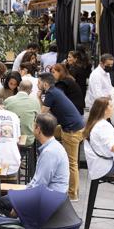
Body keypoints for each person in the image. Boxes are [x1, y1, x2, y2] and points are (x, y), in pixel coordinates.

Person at [0, 113, 69, 213]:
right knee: (9, 196)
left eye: (33, 125)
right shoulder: (52, 147)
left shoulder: (50, 152)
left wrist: (19, 204)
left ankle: (18, 225)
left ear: (38, 129)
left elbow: (40, 185)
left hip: (50, 199)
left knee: (2, 202)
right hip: (51, 194)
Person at [38, 73, 85, 201]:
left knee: (72, 163)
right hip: (74, 126)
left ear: (45, 84)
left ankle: (72, 194)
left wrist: (38, 99)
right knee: (50, 133)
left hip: (72, 130)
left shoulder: (50, 94)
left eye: (39, 82)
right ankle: (51, 159)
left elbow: (42, 114)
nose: (38, 85)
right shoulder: (55, 91)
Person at [4, 80, 41, 147]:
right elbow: (38, 118)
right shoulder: (35, 101)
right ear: (30, 91)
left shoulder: (8, 100)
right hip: (28, 139)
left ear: (18, 88)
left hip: (10, 139)